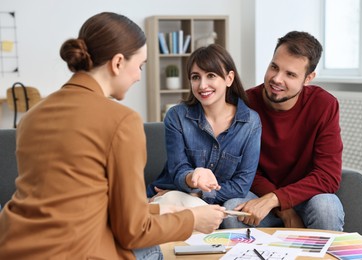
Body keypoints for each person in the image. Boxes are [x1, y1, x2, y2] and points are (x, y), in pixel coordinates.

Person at [0, 12, 226, 259]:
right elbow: (133, 232)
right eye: (139, 66)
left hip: (14, 245)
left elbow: (71, 203)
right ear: (118, 62)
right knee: (152, 250)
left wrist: (156, 210)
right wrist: (192, 219)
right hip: (75, 252)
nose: (139, 76)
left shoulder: (33, 115)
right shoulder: (122, 121)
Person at [223, 31, 344, 231]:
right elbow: (242, 168)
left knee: (327, 208)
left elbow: (327, 176)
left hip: (305, 197)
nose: (277, 79)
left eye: (290, 74)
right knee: (232, 209)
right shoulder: (245, 103)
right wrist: (284, 211)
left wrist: (276, 199)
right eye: (274, 67)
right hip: (260, 196)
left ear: (308, 78)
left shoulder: (325, 105)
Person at [146, 44, 261, 216]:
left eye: (211, 75)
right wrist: (193, 178)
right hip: (172, 195)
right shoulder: (177, 116)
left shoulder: (250, 123)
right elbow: (178, 171)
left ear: (229, 78)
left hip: (197, 199)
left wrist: (199, 194)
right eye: (195, 77)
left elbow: (241, 185)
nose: (202, 85)